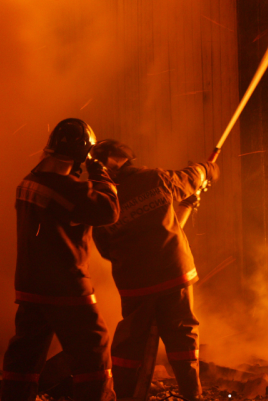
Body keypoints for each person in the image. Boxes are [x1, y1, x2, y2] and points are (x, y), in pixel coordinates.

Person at [1, 118, 120, 401]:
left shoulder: (27, 182)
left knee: (25, 357)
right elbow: (109, 210)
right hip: (66, 287)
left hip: (31, 285)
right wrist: (99, 172)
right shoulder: (67, 189)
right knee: (94, 349)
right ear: (81, 156)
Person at [91, 140, 219, 401]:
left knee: (130, 345)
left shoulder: (101, 201)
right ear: (126, 159)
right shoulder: (154, 179)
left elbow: (105, 249)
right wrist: (207, 169)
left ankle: (125, 395)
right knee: (183, 338)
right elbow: (189, 177)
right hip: (174, 275)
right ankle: (192, 396)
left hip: (135, 284)